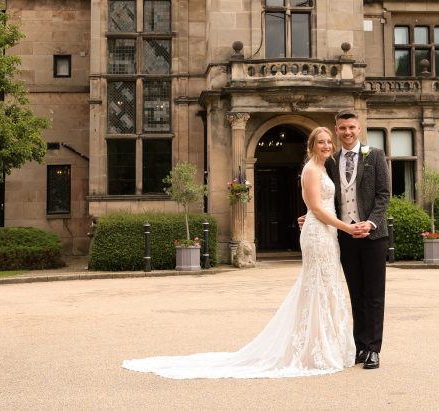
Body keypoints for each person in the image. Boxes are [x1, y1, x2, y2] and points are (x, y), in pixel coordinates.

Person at [122, 127, 358, 379]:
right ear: (311, 145)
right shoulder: (311, 169)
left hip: (326, 232)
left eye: (328, 142)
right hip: (319, 233)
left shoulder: (324, 167)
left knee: (327, 286)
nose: (326, 146)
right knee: (318, 286)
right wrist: (346, 228)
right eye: (321, 142)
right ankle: (316, 348)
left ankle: (323, 345)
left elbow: (321, 207)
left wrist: (323, 221)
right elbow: (316, 208)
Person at [326, 110, 391, 370]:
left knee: (374, 294)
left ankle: (374, 349)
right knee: (356, 294)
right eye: (342, 128)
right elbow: (327, 198)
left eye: (351, 127)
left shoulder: (374, 155)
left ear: (359, 128)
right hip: (346, 236)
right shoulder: (331, 160)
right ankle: (360, 346)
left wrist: (371, 222)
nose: (347, 132)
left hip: (374, 235)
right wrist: (309, 218)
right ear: (336, 130)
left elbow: (384, 195)